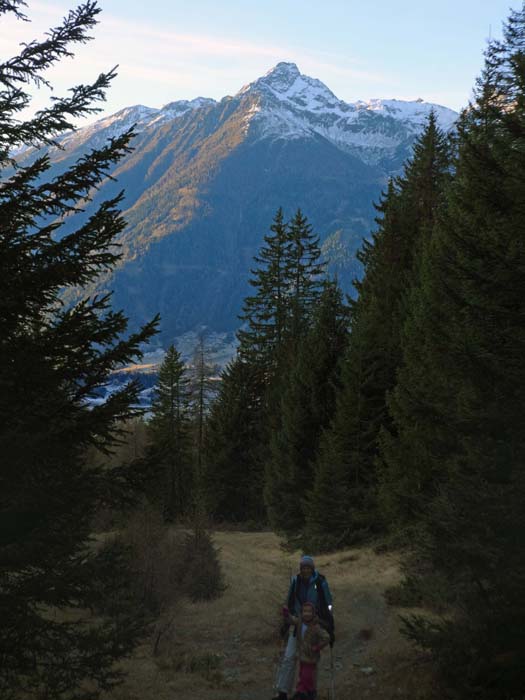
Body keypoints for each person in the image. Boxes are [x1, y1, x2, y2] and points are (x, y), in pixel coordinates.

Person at [272, 554, 334, 700]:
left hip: (313, 625)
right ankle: (282, 692)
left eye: (308, 567)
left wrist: (329, 623)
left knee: (310, 660)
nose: (305, 570)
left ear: (312, 568)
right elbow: (289, 600)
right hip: (297, 623)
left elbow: (328, 603)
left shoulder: (320, 582)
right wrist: (286, 616)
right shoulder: (295, 581)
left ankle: (309, 692)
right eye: (303, 567)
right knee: (288, 658)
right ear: (301, 568)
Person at [286, 600, 330, 700]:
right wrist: (287, 614)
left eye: (309, 611)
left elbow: (326, 637)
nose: (307, 614)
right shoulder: (300, 622)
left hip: (311, 656)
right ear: (301, 613)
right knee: (302, 674)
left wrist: (318, 647)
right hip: (302, 655)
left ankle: (304, 691)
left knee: (307, 676)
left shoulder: (316, 627)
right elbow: (292, 620)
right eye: (304, 611)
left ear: (313, 613)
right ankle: (305, 692)